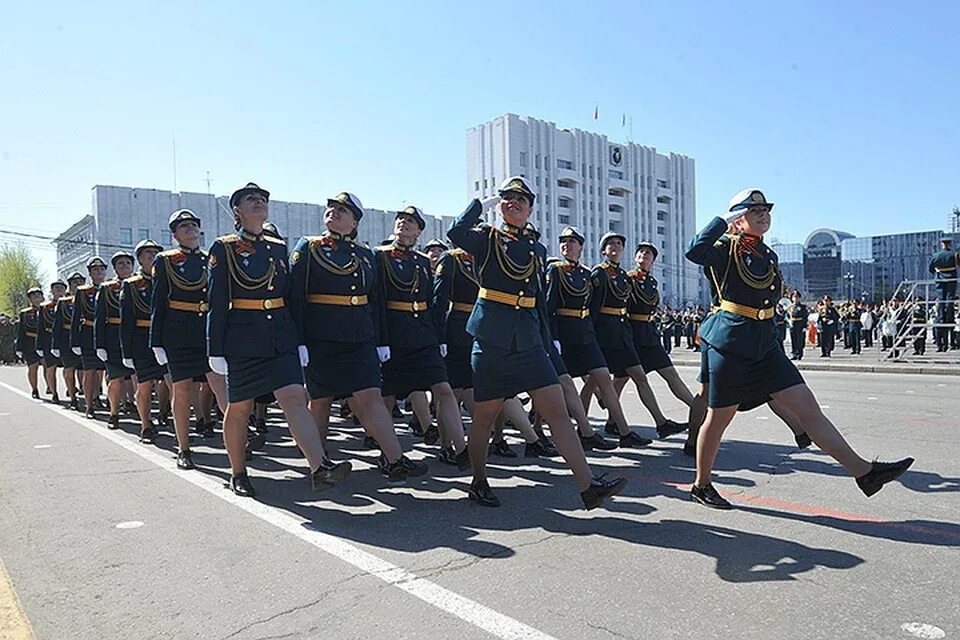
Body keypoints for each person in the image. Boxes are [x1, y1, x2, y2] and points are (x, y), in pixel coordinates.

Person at [684, 187, 913, 509]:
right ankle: (701, 484)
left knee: (808, 408)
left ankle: (864, 472)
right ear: (738, 218)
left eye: (766, 211)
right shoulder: (723, 248)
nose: (763, 215)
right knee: (719, 418)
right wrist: (724, 221)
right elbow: (694, 251)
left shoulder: (767, 253)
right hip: (731, 342)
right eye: (754, 211)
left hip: (765, 343)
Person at [446, 176, 626, 509]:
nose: (513, 202)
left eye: (520, 199)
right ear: (499, 205)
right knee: (485, 417)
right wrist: (477, 208)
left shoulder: (538, 248)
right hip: (492, 342)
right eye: (507, 198)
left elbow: (537, 300)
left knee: (557, 410)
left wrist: (547, 343)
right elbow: (455, 234)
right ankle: (479, 481)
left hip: (529, 341)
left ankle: (588, 485)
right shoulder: (486, 238)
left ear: (530, 208)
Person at [209, 183, 352, 498]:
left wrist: (299, 339)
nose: (259, 202)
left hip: (280, 335)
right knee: (239, 408)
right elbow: (217, 301)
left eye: (263, 199)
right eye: (251, 199)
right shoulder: (224, 247)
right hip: (243, 338)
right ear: (237, 211)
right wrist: (214, 349)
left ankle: (319, 467)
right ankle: (238, 471)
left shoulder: (277, 247)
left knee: (294, 397)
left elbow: (290, 296)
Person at [288, 191, 428, 483]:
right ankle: (320, 463)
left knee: (371, 396)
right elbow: (296, 297)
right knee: (321, 399)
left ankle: (395, 459)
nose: (335, 212)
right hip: (321, 337)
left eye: (343, 210)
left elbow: (375, 300)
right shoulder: (309, 247)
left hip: (360, 337)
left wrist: (381, 341)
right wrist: (299, 340)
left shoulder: (366, 254)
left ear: (354, 223)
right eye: (333, 208)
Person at [373, 206, 470, 466]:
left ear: (418, 231)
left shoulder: (422, 261)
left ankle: (461, 450)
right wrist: (380, 340)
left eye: (411, 222)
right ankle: (387, 454)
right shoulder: (378, 257)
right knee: (387, 396)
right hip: (394, 335)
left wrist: (439, 338)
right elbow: (377, 301)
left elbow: (431, 302)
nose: (404, 224)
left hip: (423, 335)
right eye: (401, 219)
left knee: (444, 389)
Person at [151, 210, 229, 470]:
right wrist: (157, 341)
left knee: (220, 386)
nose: (190, 229)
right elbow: (158, 301)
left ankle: (236, 442)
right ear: (174, 235)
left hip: (205, 332)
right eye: (183, 226)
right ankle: (183, 448)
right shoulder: (165, 261)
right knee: (182, 391)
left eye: (193, 225)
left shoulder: (211, 259)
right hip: (178, 334)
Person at [588, 232, 684, 440]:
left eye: (619, 243)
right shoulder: (601, 274)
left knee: (628, 378)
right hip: (606, 334)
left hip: (623, 333)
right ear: (603, 250)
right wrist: (592, 336)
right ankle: (584, 428)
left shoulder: (624, 276)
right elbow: (593, 308)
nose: (615, 246)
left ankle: (657, 422)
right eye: (610, 243)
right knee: (595, 382)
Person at [120, 239, 168, 442]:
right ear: (139, 258)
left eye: (155, 252)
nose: (152, 256)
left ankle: (169, 417)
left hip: (166, 340)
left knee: (173, 383)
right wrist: (127, 353)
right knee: (145, 385)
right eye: (147, 253)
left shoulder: (167, 279)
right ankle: (146, 425)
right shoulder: (131, 285)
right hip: (141, 340)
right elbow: (126, 321)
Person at [94, 251, 137, 429]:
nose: (125, 266)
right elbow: (99, 317)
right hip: (114, 336)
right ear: (114, 268)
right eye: (120, 264)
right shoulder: (107, 288)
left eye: (128, 263)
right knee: (116, 379)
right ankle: (114, 413)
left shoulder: (140, 285)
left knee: (140, 379)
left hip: (136, 336)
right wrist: (100, 344)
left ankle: (144, 415)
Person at [71, 257, 109, 418]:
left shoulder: (111, 288)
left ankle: (107, 400)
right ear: (90, 273)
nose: (99, 272)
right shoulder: (83, 291)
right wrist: (75, 342)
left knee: (108, 372)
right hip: (88, 334)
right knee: (89, 372)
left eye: (101, 269)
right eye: (95, 270)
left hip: (108, 335)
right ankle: (89, 405)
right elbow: (75, 317)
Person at [51, 272, 85, 410]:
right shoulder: (63, 302)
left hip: (85, 338)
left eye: (80, 281)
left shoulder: (90, 297)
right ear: (70, 285)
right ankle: (72, 397)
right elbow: (57, 325)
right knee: (69, 370)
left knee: (89, 371)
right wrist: (55, 345)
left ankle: (93, 397)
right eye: (75, 282)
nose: (78, 284)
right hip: (67, 339)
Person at [37, 280, 67, 403]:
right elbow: (40, 327)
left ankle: (71, 390)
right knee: (51, 368)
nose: (59, 290)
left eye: (61, 287)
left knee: (69, 367)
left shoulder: (71, 303)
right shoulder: (45, 307)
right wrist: (39, 345)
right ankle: (54, 393)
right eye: (56, 288)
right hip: (49, 339)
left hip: (65, 338)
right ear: (52, 291)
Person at [15, 286, 45, 398]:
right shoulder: (25, 313)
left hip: (45, 341)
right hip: (30, 342)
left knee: (48, 366)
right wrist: (19, 348)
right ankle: (34, 389)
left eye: (38, 295)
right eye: (33, 296)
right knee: (33, 367)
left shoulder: (48, 309)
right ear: (30, 299)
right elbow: (21, 331)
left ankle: (51, 388)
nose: (37, 298)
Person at [929, 237, 957, 352]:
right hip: (952, 279)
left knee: (941, 299)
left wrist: (937, 274)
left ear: (941, 244)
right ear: (950, 244)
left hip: (940, 279)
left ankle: (941, 317)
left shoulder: (936, 255)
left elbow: (931, 268)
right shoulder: (954, 254)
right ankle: (949, 317)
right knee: (950, 299)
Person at [787, 291, 808, 360]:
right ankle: (794, 353)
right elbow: (787, 316)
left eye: (797, 297)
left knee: (799, 340)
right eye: (794, 297)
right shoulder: (790, 307)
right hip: (792, 324)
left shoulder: (802, 307)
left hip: (800, 324)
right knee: (793, 339)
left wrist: (805, 326)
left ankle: (799, 353)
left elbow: (805, 317)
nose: (795, 298)